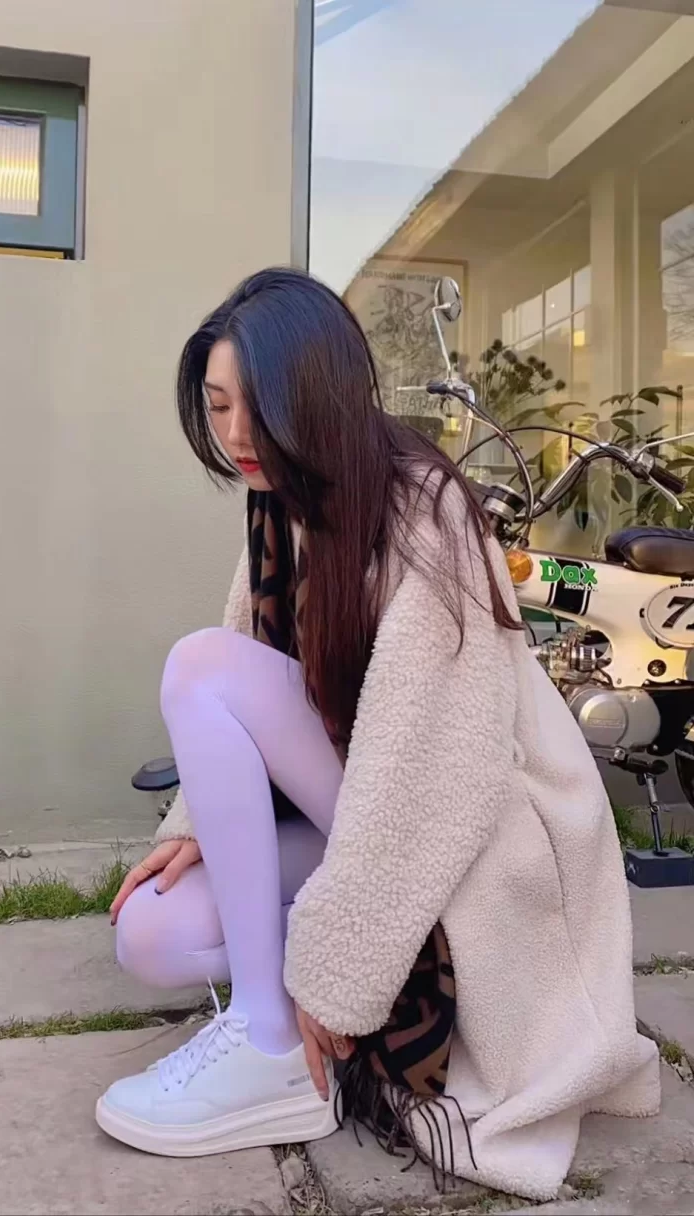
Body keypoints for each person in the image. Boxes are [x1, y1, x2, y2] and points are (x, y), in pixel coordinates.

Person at [96, 268, 659, 1200]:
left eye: (259, 407)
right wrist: (199, 820)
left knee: (197, 664)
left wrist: (339, 972)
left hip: (478, 818)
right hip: (359, 798)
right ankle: (271, 1017)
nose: (237, 435)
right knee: (154, 937)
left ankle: (272, 1043)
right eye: (219, 406)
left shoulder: (425, 513)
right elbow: (256, 666)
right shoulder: (279, 502)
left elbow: (432, 770)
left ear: (318, 395)